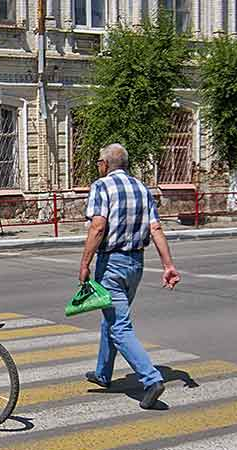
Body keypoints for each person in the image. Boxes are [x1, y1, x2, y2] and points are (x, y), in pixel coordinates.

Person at [78, 144, 180, 409]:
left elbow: (98, 226)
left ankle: (151, 379)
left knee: (119, 325)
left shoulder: (101, 186)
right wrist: (168, 264)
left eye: (98, 161)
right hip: (136, 263)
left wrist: (85, 263)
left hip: (110, 263)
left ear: (105, 164)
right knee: (110, 318)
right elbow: (155, 228)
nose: (98, 166)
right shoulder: (142, 188)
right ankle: (103, 372)